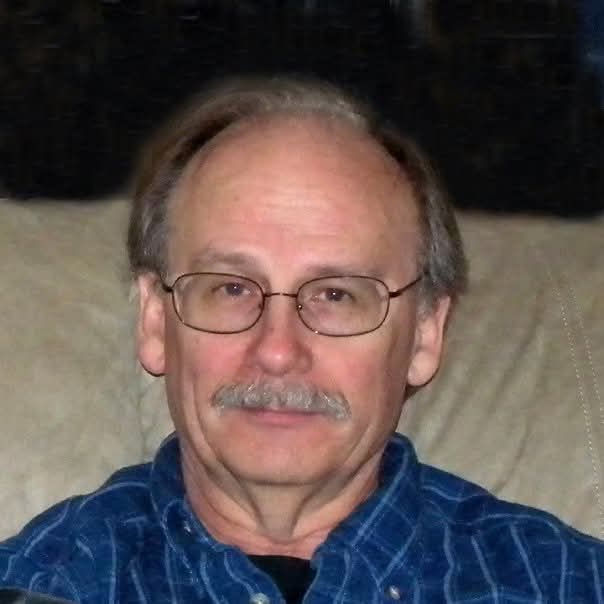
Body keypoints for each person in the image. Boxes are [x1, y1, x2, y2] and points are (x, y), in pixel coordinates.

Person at [0, 75, 603, 603]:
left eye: (336, 295)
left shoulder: (567, 584)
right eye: (232, 289)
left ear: (425, 334)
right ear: (157, 322)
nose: (277, 351)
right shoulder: (38, 583)